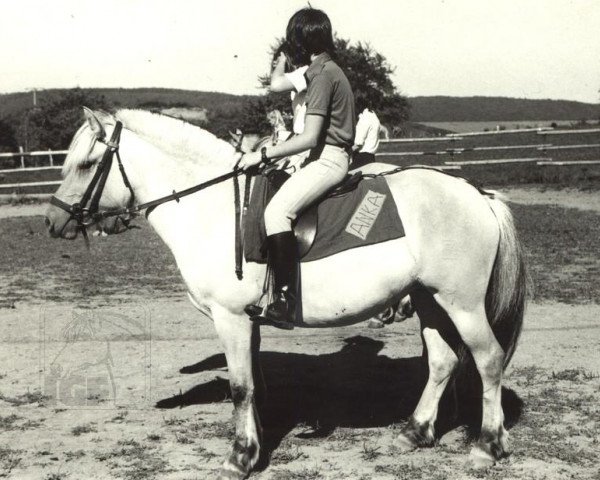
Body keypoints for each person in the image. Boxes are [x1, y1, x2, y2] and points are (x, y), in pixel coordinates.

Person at [239, 7, 355, 330]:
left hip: (328, 158)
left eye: (293, 40)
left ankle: (286, 301)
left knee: (276, 214)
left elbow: (310, 137)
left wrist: (262, 155)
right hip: (325, 156)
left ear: (302, 40)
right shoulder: (325, 69)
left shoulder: (321, 75)